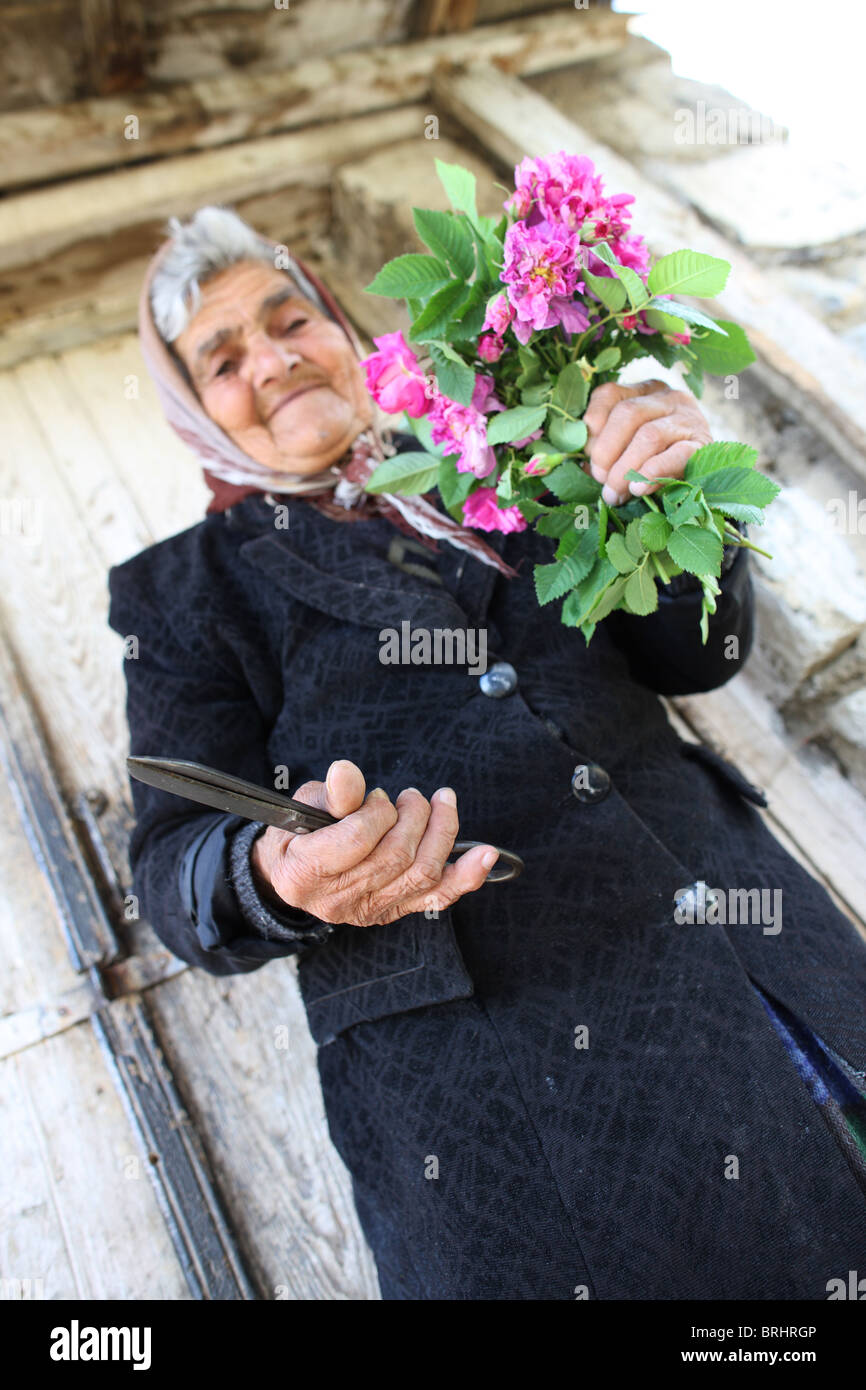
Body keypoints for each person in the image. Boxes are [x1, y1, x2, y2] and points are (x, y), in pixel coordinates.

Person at [107, 205, 866, 1301]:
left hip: (742, 942)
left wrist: (671, 495)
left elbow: (696, 657)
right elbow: (171, 865)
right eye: (222, 361)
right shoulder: (183, 594)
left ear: (339, 327)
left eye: (290, 321)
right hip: (503, 1064)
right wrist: (275, 874)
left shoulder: (499, 451)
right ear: (192, 409)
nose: (271, 363)